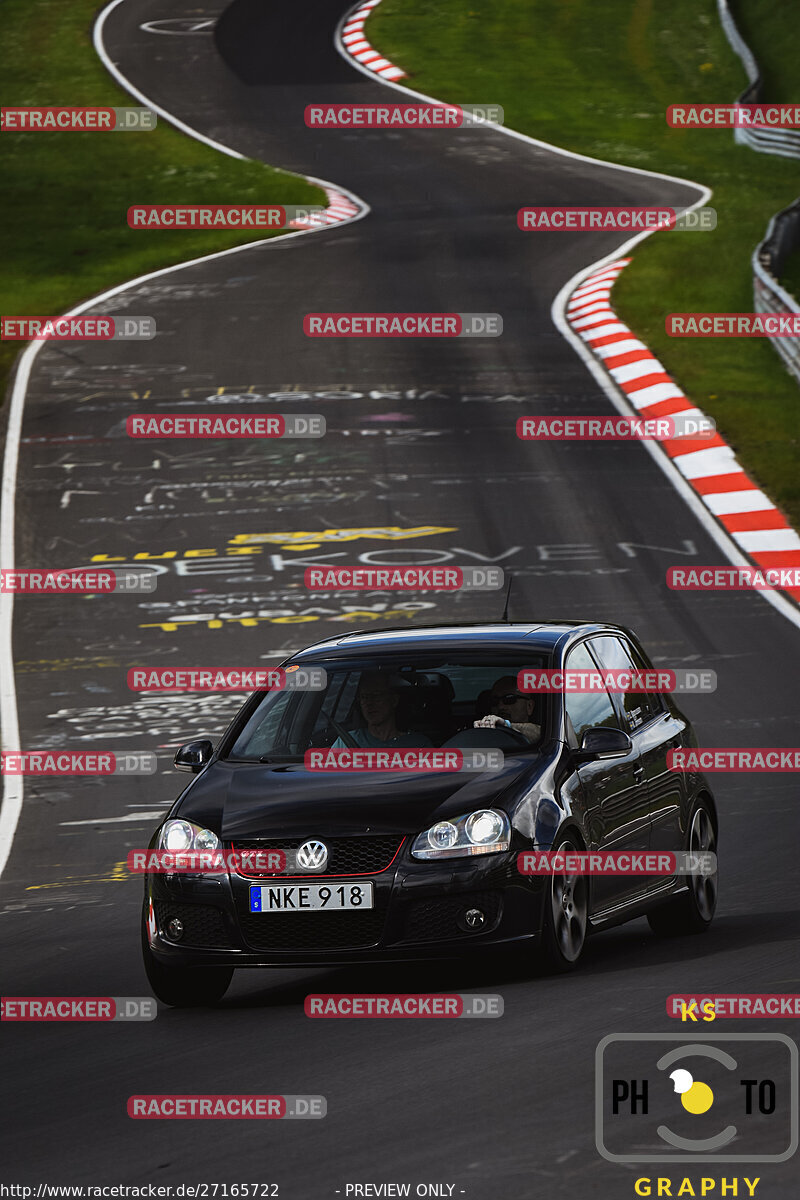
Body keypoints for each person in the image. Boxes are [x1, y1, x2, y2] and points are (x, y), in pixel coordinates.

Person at [332, 671, 432, 748]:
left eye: (376, 695)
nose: (369, 703)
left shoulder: (419, 746)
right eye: (364, 697)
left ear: (394, 700)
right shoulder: (346, 743)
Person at [473, 676, 540, 743]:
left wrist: (507, 725)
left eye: (509, 699)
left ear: (529, 706)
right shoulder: (480, 730)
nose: (500, 707)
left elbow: (540, 733)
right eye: (494, 701)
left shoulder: (544, 737)